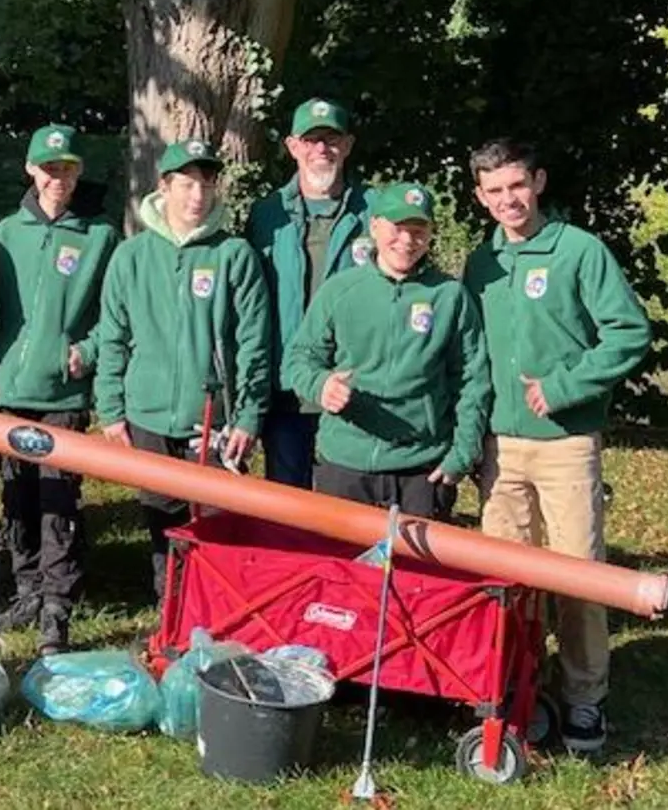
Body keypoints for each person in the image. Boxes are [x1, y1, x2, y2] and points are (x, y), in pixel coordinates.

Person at [461, 137, 652, 753]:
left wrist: (564, 387)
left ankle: (584, 697)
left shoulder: (578, 250)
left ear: (538, 182)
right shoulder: (481, 264)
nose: (508, 199)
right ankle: (514, 686)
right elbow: (471, 355)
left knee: (577, 576)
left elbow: (628, 333)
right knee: (504, 576)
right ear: (480, 197)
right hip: (501, 447)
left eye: (518, 185)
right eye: (495, 190)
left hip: (566, 442)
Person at [94, 138, 270, 603]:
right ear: (165, 186)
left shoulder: (234, 255)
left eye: (206, 185)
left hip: (211, 418)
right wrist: (111, 409)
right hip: (147, 415)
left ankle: (213, 614)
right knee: (162, 521)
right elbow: (112, 337)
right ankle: (169, 610)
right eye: (187, 184)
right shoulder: (132, 256)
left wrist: (248, 416)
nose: (197, 196)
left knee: (214, 524)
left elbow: (254, 343)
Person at [0, 123, 121, 654]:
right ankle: (27, 588)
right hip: (10, 389)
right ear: (31, 170)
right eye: (50, 168)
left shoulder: (100, 236)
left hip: (62, 393)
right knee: (18, 496)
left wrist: (88, 351)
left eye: (68, 169)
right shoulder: (5, 232)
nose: (59, 178)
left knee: (58, 497)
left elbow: (115, 314)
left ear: (79, 173)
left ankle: (58, 601)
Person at [285, 183, 490, 518]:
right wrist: (321, 385)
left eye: (418, 230)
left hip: (421, 469)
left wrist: (462, 454)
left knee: (415, 556)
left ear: (431, 233)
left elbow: (473, 379)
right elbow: (299, 359)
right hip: (345, 464)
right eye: (397, 228)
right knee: (342, 554)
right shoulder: (340, 290)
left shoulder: (449, 296)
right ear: (375, 226)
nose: (407, 241)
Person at [245, 98, 378, 488]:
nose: (321, 149)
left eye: (331, 139)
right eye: (311, 140)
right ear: (293, 146)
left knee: (346, 504)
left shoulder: (375, 212)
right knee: (287, 503)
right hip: (286, 387)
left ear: (347, 145)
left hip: (352, 384)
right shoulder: (266, 214)